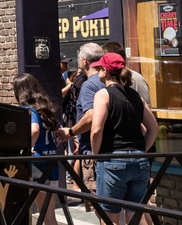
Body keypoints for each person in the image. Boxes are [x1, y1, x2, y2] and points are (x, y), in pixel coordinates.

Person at [89, 53, 158, 225]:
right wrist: (141, 150)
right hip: (139, 161)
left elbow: (96, 130)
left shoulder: (103, 95)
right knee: (137, 213)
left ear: (105, 71)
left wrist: (95, 155)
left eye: (99, 68)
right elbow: (153, 128)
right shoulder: (135, 96)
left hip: (112, 160)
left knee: (110, 217)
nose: (97, 72)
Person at [55, 43, 104, 195]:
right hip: (118, 152)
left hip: (95, 151)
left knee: (102, 209)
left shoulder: (89, 85)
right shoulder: (110, 81)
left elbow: (90, 119)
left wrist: (71, 132)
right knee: (130, 208)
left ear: (84, 61)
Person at [14, 73, 62, 225]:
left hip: (38, 166)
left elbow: (34, 130)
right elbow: (58, 133)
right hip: (51, 165)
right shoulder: (46, 110)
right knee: (49, 215)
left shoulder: (30, 110)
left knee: (36, 212)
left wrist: (27, 147)